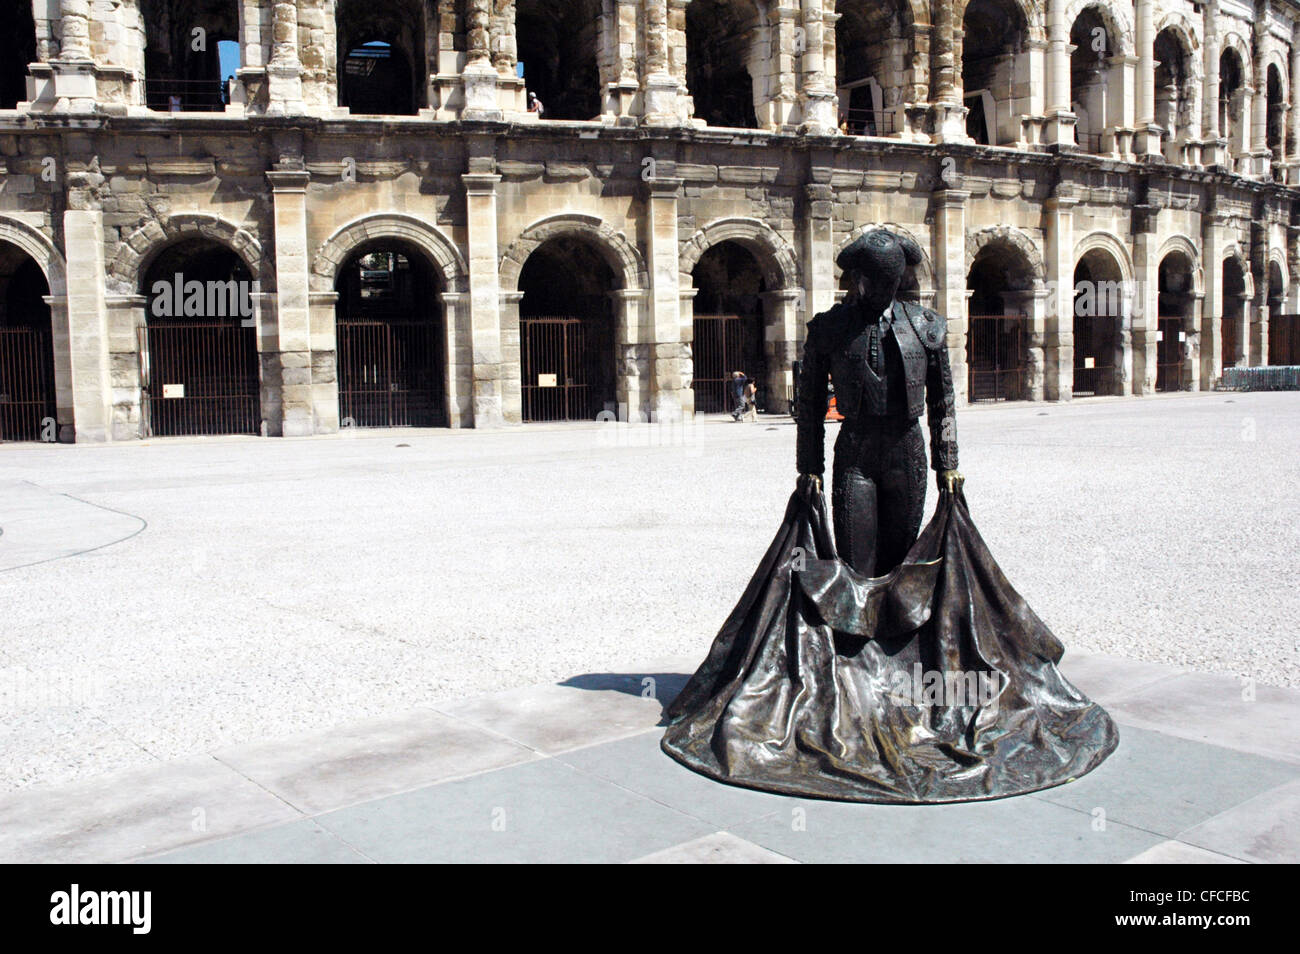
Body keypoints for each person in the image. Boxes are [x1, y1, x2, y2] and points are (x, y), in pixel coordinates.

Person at [795, 229, 961, 577]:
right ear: (858, 279)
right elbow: (809, 403)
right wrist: (810, 466)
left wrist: (947, 461)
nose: (883, 290)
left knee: (901, 560)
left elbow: (943, 400)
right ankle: (857, 630)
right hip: (856, 451)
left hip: (907, 448)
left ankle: (896, 629)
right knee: (856, 557)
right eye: (875, 281)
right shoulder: (830, 327)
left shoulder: (925, 325)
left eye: (890, 282)